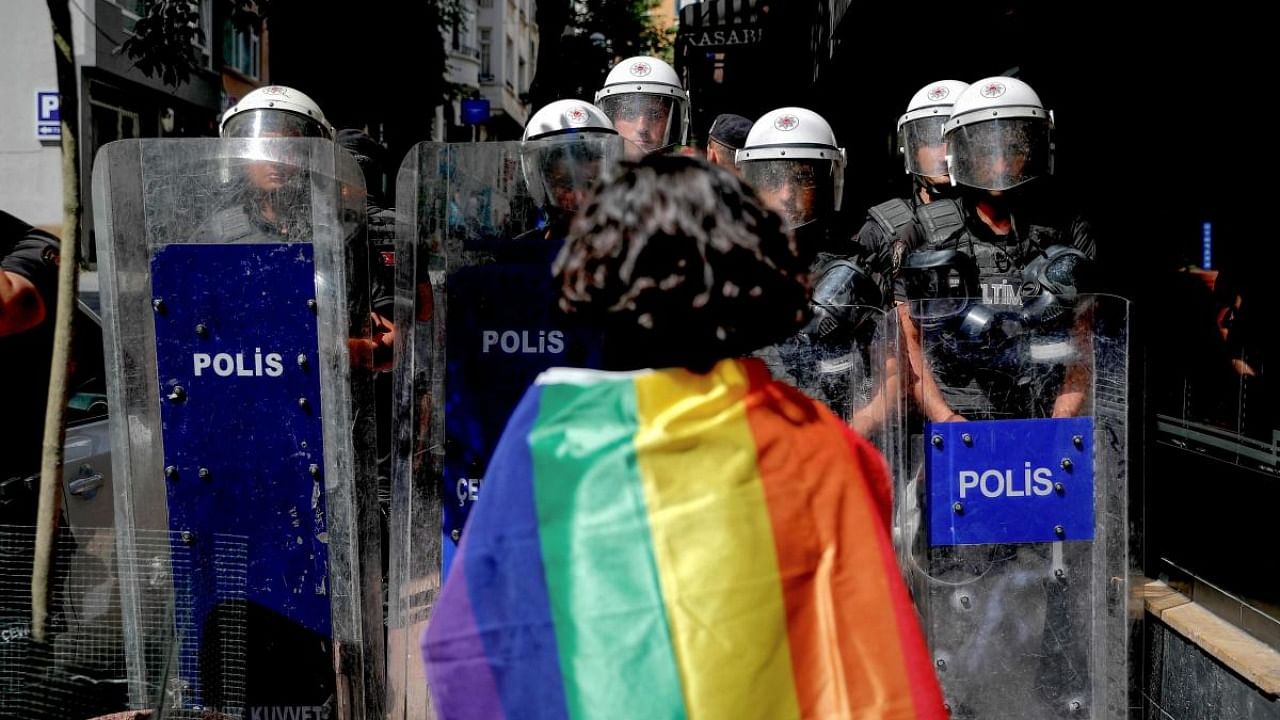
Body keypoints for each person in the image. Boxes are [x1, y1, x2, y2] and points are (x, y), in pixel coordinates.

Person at [421, 153, 947, 719]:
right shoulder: (819, 450)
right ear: (753, 277)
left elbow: (468, 651)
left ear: (596, 278)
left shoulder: (548, 439)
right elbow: (881, 680)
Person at [434, 100, 622, 570]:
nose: (578, 195)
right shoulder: (504, 268)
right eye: (564, 183)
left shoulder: (638, 265)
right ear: (538, 181)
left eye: (591, 181)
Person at [893, 76, 1097, 422]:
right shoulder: (924, 232)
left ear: (1035, 148)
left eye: (1013, 148)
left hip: (1043, 413)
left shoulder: (1065, 229)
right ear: (961, 153)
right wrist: (947, 420)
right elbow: (908, 344)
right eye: (986, 149)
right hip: (958, 417)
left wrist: (1060, 421)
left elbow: (1083, 337)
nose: (1000, 163)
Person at [737, 108, 888, 426]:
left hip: (833, 440)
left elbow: (891, 375)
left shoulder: (859, 270)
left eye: (802, 179)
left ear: (829, 182)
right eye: (773, 180)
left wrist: (849, 436)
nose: (787, 195)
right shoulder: (728, 270)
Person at [595, 55, 690, 158]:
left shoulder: (691, 173)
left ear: (673, 123)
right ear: (611, 120)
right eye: (629, 114)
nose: (642, 127)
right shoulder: (588, 173)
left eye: (654, 115)